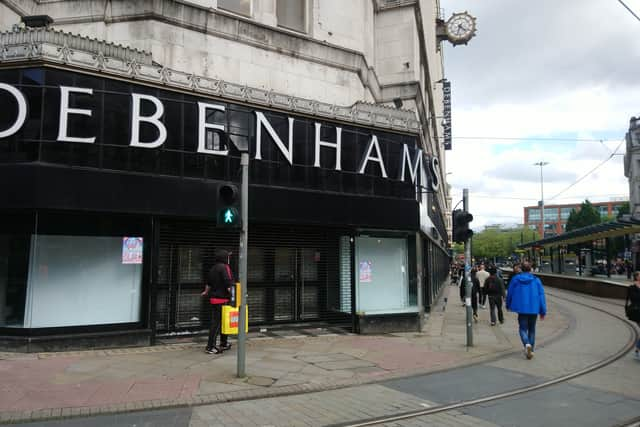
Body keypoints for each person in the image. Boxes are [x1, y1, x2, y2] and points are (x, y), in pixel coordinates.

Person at [506, 261, 547, 360]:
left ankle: (527, 344)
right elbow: (542, 296)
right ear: (531, 269)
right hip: (534, 308)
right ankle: (531, 350)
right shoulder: (536, 280)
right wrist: (543, 311)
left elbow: (509, 293)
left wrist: (508, 304)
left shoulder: (516, 279)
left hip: (521, 308)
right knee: (532, 329)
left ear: (521, 269)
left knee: (523, 328)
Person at [201, 249, 234, 355]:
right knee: (217, 323)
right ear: (224, 258)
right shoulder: (225, 267)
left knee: (222, 322)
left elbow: (208, 283)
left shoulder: (213, 268)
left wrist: (205, 292)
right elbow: (228, 283)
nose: (229, 258)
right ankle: (210, 347)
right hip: (222, 300)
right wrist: (235, 295)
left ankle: (223, 343)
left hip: (214, 299)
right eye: (228, 257)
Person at [626, 272, 640, 360]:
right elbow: (634, 298)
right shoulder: (632, 287)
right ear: (636, 277)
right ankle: (637, 351)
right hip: (637, 312)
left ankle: (637, 350)